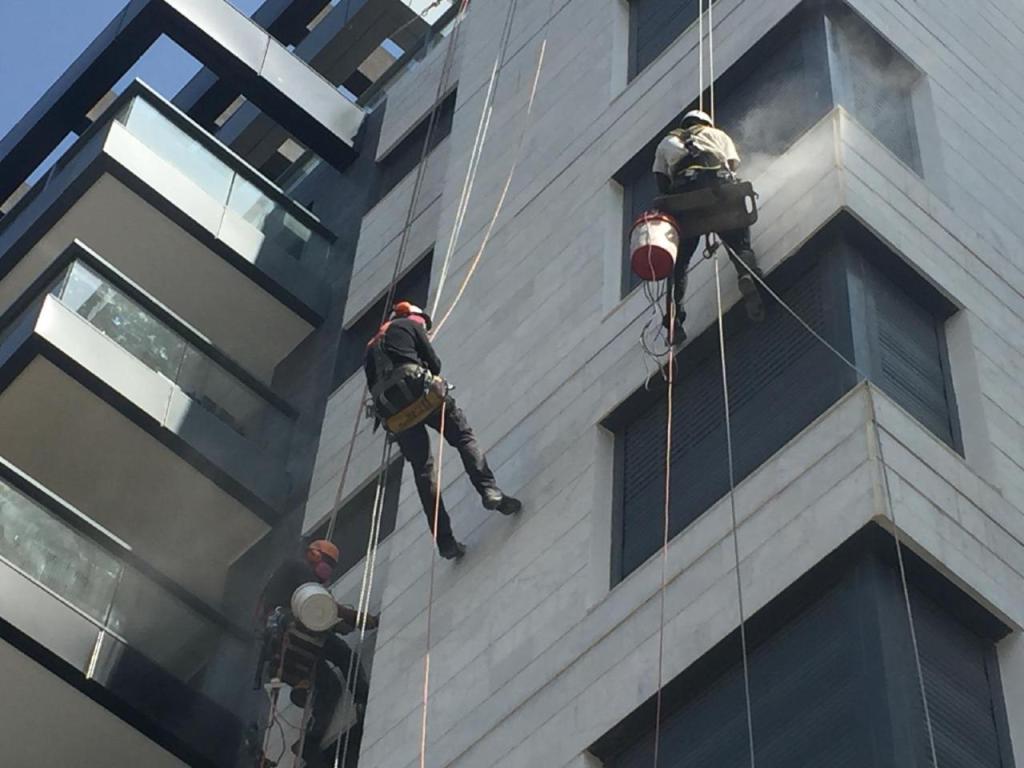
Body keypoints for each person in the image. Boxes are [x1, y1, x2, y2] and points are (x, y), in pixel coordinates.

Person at [364, 301, 521, 560]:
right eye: (424, 325)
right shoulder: (409, 325)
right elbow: (434, 364)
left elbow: (373, 387)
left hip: (395, 413)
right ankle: (489, 490)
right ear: (415, 318)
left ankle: (445, 542)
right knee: (463, 437)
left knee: (423, 472)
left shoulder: (370, 349)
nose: (425, 329)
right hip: (418, 390)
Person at [258, 540, 378, 765]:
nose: (327, 571)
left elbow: (321, 615)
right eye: (327, 563)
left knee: (330, 685)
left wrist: (339, 623)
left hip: (297, 640)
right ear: (314, 555)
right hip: (296, 640)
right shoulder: (298, 568)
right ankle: (363, 700)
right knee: (344, 658)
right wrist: (364, 620)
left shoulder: (292, 577)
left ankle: (310, 742)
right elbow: (323, 609)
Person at [652, 109, 764, 338]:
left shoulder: (667, 141)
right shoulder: (718, 135)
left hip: (685, 200)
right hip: (718, 193)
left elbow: (661, 181)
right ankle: (746, 276)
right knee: (740, 245)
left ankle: (674, 313)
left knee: (679, 262)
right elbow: (732, 166)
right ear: (706, 122)